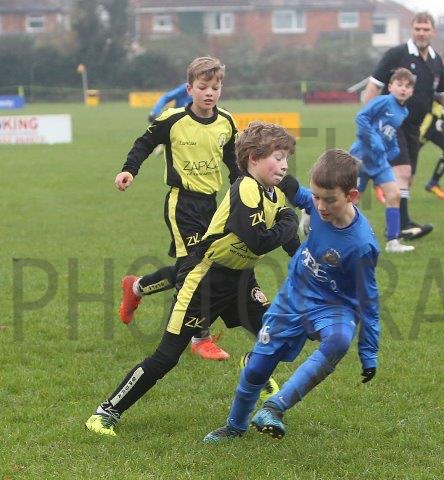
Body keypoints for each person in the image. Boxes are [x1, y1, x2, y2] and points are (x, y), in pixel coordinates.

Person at [86, 121, 300, 437]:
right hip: (206, 281)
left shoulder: (275, 191)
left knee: (275, 336)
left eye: (286, 159)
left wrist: (309, 262)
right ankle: (105, 413)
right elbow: (258, 241)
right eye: (277, 158)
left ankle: (251, 364)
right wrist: (290, 220)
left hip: (242, 280)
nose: (284, 166)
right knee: (166, 357)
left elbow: (290, 242)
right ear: (253, 158)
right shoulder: (245, 187)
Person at [202, 149, 380, 443]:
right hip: (294, 297)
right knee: (257, 368)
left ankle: (274, 408)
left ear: (352, 196)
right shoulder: (318, 204)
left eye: (329, 200)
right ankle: (234, 427)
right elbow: (298, 194)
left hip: (334, 306)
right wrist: (276, 171)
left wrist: (369, 351)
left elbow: (369, 299)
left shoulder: (361, 246)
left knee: (338, 339)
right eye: (317, 197)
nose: (320, 206)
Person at [115, 57, 240, 361]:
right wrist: (130, 169)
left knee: (196, 266)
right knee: (195, 269)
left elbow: (233, 161)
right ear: (189, 89)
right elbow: (143, 144)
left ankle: (137, 287)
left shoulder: (226, 121)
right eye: (203, 87)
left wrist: (242, 192)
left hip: (212, 205)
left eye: (215, 87)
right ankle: (200, 337)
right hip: (182, 203)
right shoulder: (172, 120)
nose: (209, 93)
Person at [362, 11, 444, 241]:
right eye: (418, 29)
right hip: (391, 123)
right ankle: (401, 226)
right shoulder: (397, 54)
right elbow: (374, 85)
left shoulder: (436, 61)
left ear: (433, 32)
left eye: (426, 29)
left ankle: (397, 223)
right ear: (412, 30)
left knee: (407, 177)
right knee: (402, 172)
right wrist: (368, 119)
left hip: (413, 127)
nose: (421, 33)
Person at [350, 67, 416, 253]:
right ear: (390, 86)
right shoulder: (384, 101)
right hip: (361, 157)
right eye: (399, 84)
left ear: (412, 91)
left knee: (394, 195)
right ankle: (313, 214)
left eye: (407, 86)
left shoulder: (404, 111)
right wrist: (373, 138)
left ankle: (392, 242)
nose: (403, 89)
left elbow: (389, 130)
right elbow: (361, 118)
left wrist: (393, 146)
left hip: (379, 161)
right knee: (352, 200)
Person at [419, 51, 444, 201]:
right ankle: (372, 177)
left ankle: (433, 182)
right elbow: (426, 94)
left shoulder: (443, 82)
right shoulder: (432, 77)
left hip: (432, 126)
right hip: (423, 125)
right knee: (405, 158)